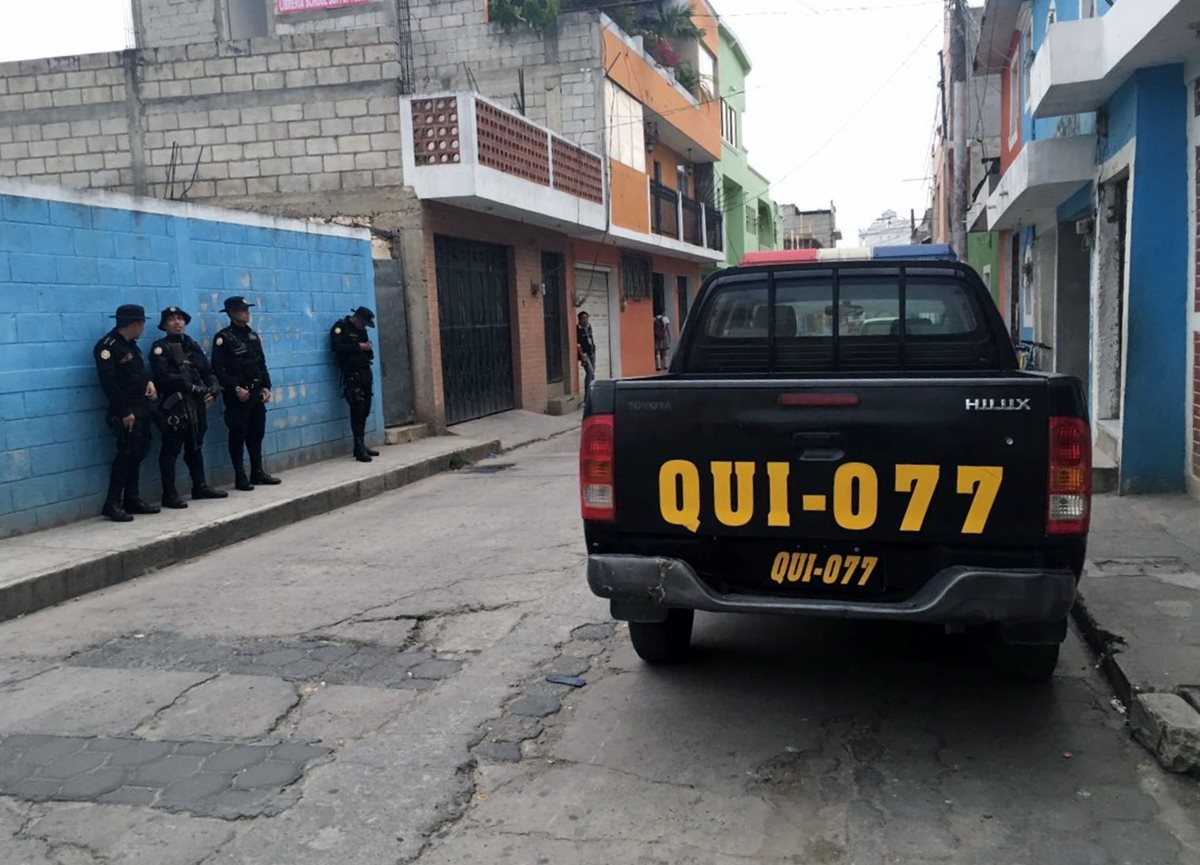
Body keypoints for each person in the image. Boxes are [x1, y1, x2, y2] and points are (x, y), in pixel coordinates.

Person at [150, 306, 228, 508]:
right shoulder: (160, 348)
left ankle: (199, 486)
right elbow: (164, 377)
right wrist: (192, 388)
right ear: (165, 325)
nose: (177, 323)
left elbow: (207, 370)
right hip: (175, 405)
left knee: (195, 445)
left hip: (196, 404)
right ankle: (170, 493)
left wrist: (213, 387)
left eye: (180, 319)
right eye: (172, 319)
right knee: (171, 449)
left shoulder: (192, 345)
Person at [93, 304, 159, 522]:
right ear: (134, 324)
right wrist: (124, 411)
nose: (143, 328)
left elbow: (136, 374)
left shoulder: (131, 346)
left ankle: (132, 498)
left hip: (141, 406)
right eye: (141, 323)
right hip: (125, 410)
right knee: (126, 454)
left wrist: (148, 382)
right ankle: (112, 502)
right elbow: (109, 383)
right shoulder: (107, 347)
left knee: (140, 450)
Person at [211, 296, 281, 491]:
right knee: (238, 434)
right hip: (238, 396)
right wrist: (235, 388)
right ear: (232, 313)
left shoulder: (252, 336)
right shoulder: (223, 338)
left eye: (247, 309)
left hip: (256, 393)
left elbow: (261, 363)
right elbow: (218, 369)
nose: (246, 313)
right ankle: (240, 476)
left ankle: (257, 472)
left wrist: (267, 386)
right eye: (242, 310)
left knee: (256, 433)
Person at [331, 306, 380, 463]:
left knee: (365, 410)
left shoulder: (361, 331)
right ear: (357, 319)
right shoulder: (341, 328)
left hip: (365, 373)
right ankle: (359, 449)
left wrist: (367, 348)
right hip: (352, 375)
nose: (364, 327)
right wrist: (358, 347)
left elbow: (367, 352)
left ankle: (360, 445)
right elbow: (336, 347)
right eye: (363, 323)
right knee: (357, 411)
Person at [577, 311, 596, 393]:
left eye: (586, 318)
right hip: (584, 354)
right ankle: (587, 396)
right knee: (590, 372)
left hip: (592, 352)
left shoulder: (589, 327)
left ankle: (592, 393)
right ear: (580, 320)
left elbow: (591, 338)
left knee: (592, 373)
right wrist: (581, 354)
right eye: (583, 318)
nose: (585, 320)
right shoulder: (578, 329)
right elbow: (578, 344)